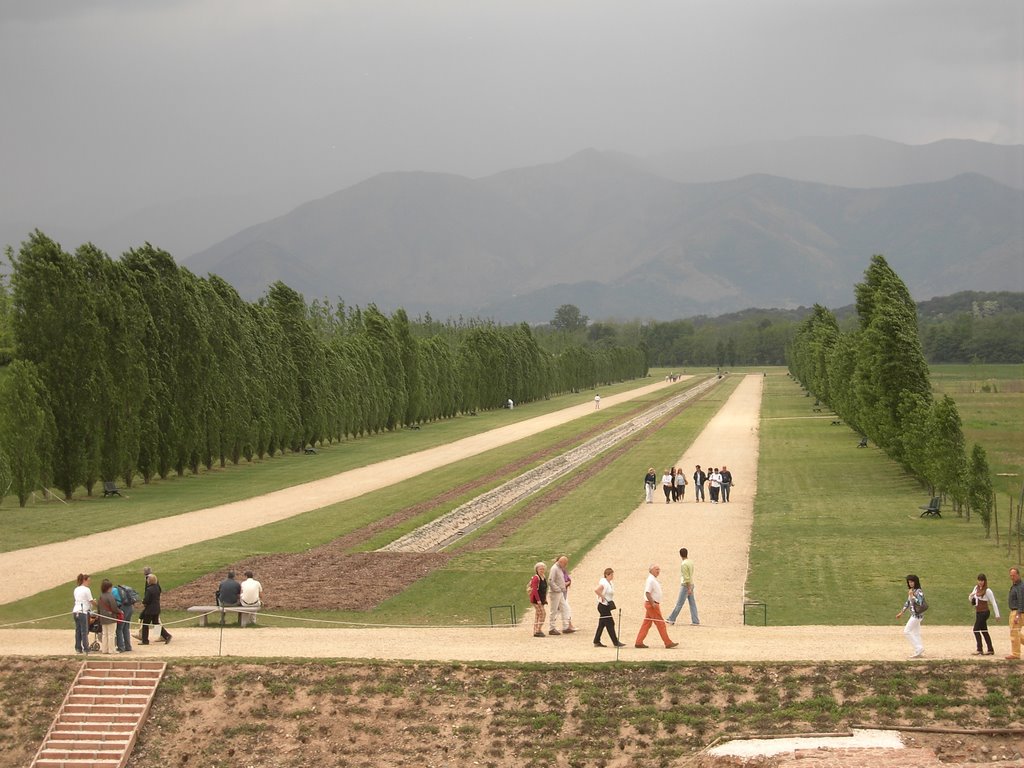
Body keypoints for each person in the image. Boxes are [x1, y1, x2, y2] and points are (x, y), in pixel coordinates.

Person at [634, 564, 678, 649]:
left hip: (651, 604)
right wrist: (653, 603)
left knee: (646, 624)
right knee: (661, 624)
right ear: (651, 570)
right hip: (652, 605)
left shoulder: (653, 579)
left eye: (659, 569)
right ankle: (667, 642)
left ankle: (638, 642)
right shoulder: (651, 580)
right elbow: (647, 592)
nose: (658, 571)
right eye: (656, 569)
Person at [666, 548, 700, 626]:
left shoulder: (684, 564)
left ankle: (671, 619)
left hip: (685, 586)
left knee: (679, 604)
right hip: (691, 584)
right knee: (692, 604)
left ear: (680, 555)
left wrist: (688, 588)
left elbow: (686, 577)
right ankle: (695, 621)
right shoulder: (690, 562)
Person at [969, 573, 1000, 655]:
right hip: (978, 612)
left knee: (975, 629)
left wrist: (997, 615)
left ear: (984, 581)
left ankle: (979, 649)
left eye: (982, 580)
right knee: (984, 631)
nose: (980, 582)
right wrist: (971, 597)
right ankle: (990, 649)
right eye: (979, 580)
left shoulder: (987, 591)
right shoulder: (976, 588)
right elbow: (972, 598)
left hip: (984, 612)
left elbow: (993, 602)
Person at [593, 568, 624, 648]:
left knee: (602, 624)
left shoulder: (609, 583)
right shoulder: (604, 583)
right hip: (603, 606)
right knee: (610, 623)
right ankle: (615, 642)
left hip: (605, 606)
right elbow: (596, 590)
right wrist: (602, 596)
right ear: (607, 575)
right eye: (611, 575)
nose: (612, 576)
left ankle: (596, 641)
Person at [896, 574, 925, 658]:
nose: (910, 583)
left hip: (917, 615)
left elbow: (920, 602)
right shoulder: (912, 590)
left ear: (916, 582)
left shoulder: (919, 591)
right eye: (909, 582)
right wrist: (901, 612)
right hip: (915, 614)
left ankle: (918, 648)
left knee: (907, 631)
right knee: (916, 633)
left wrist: (912, 596)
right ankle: (918, 650)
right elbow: (907, 602)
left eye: (912, 582)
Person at [140, 573, 172, 645]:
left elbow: (147, 600)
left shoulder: (149, 589)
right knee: (156, 623)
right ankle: (166, 635)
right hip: (156, 608)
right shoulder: (157, 588)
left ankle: (145, 640)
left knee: (145, 624)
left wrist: (143, 601)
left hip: (149, 610)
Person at [547, 556, 574, 634]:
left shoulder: (560, 568)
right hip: (555, 593)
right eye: (565, 563)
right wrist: (558, 589)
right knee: (554, 610)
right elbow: (550, 581)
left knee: (565, 608)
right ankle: (551, 628)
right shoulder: (554, 568)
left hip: (560, 592)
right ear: (561, 562)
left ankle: (566, 627)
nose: (565, 565)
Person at [72, 573, 96, 654]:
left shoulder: (76, 589)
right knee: (84, 631)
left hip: (75, 611)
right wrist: (97, 604)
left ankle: (78, 648)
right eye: (88, 581)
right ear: (84, 580)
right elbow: (91, 601)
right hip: (83, 611)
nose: (89, 582)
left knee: (78, 630)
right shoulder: (86, 589)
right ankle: (86, 648)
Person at [111, 582, 137, 652]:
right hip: (130, 607)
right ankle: (128, 646)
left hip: (123, 608)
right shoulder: (120, 589)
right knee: (126, 628)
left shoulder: (112, 591)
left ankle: (121, 647)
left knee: (119, 629)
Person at [96, 579, 119, 655]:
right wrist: (118, 612)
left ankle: (104, 649)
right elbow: (114, 607)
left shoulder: (101, 596)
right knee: (111, 634)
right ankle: (111, 650)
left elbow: (98, 608)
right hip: (111, 617)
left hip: (102, 617)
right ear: (109, 587)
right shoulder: (110, 596)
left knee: (104, 634)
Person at [1006, 567, 1024, 660]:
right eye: (1011, 575)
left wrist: (1018, 614)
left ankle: (1016, 654)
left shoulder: (1020, 586)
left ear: (1018, 575)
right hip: (1014, 611)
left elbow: (1021, 600)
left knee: (1014, 632)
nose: (1012, 577)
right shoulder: (1015, 585)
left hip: (1018, 612)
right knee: (1016, 632)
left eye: (1014, 575)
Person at [528, 562, 548, 638]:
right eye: (540, 569)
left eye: (543, 569)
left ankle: (536, 630)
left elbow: (544, 589)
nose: (542, 570)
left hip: (541, 599)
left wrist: (544, 599)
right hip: (536, 599)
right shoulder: (536, 578)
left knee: (538, 614)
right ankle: (538, 630)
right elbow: (534, 590)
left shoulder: (543, 576)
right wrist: (538, 600)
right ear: (537, 569)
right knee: (543, 614)